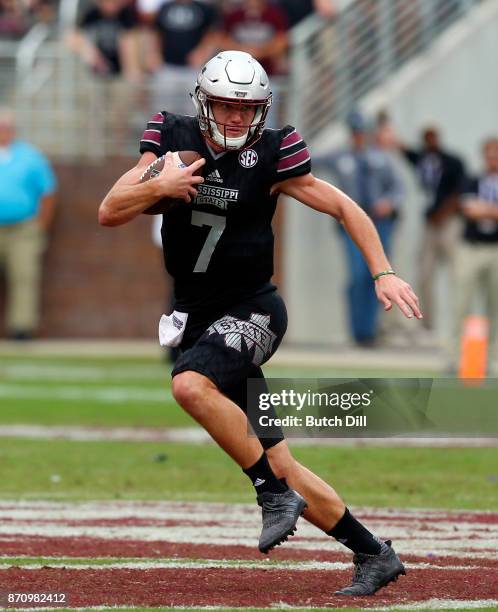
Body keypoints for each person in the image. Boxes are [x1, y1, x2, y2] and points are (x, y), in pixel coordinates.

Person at [99, 51, 421, 596]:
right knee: (279, 459)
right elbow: (111, 208)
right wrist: (159, 187)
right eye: (223, 106)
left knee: (189, 386)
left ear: (261, 111)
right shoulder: (172, 139)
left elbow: (346, 208)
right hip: (201, 316)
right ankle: (373, 554)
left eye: (244, 109)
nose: (233, 119)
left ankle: (270, 495)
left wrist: (382, 271)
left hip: (254, 309)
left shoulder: (273, 153)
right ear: (204, 103)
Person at [315, 111, 404, 346]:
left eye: (361, 132)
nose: (358, 137)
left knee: (377, 275)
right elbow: (308, 160)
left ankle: (370, 330)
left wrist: (389, 202)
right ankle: (357, 330)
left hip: (379, 223)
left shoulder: (381, 158)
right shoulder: (340, 157)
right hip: (352, 223)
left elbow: (398, 187)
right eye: (355, 132)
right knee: (356, 275)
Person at [394, 126, 466, 333]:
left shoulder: (452, 161)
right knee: (425, 273)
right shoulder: (423, 160)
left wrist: (443, 213)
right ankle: (427, 324)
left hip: (449, 222)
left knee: (457, 273)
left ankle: (459, 323)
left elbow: (461, 190)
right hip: (430, 224)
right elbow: (405, 151)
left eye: (432, 137)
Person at [0, 108, 57, 340]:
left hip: (23, 229)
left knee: (24, 277)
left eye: (6, 127)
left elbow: (48, 192)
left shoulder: (30, 157)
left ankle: (21, 329)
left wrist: (40, 226)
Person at [450, 137, 498, 373]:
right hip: (471, 247)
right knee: (462, 303)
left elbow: (479, 210)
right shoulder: (472, 180)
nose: (493, 160)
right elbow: (469, 210)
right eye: (489, 155)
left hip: (495, 249)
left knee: (495, 305)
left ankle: (493, 359)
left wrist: (485, 210)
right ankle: (454, 357)